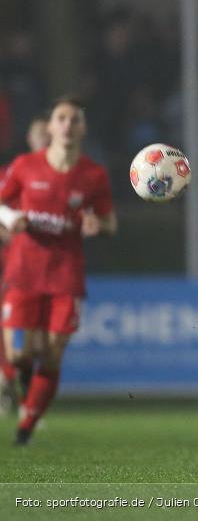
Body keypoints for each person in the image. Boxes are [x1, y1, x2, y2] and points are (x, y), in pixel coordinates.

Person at [0, 97, 116, 444]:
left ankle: (26, 426)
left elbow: (110, 221)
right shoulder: (24, 167)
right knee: (19, 352)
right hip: (23, 274)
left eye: (74, 119)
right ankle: (21, 376)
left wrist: (99, 225)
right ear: (50, 126)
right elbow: (1, 205)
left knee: (51, 354)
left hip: (66, 278)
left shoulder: (93, 175)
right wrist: (11, 220)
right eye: (61, 118)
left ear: (82, 128)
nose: (67, 125)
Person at [0, 116, 51, 416]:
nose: (46, 140)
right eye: (40, 135)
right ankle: (9, 382)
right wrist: (9, 231)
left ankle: (20, 385)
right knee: (13, 329)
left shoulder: (67, 177)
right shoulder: (14, 173)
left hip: (47, 269)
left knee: (42, 340)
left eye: (49, 135)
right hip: (13, 268)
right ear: (31, 140)